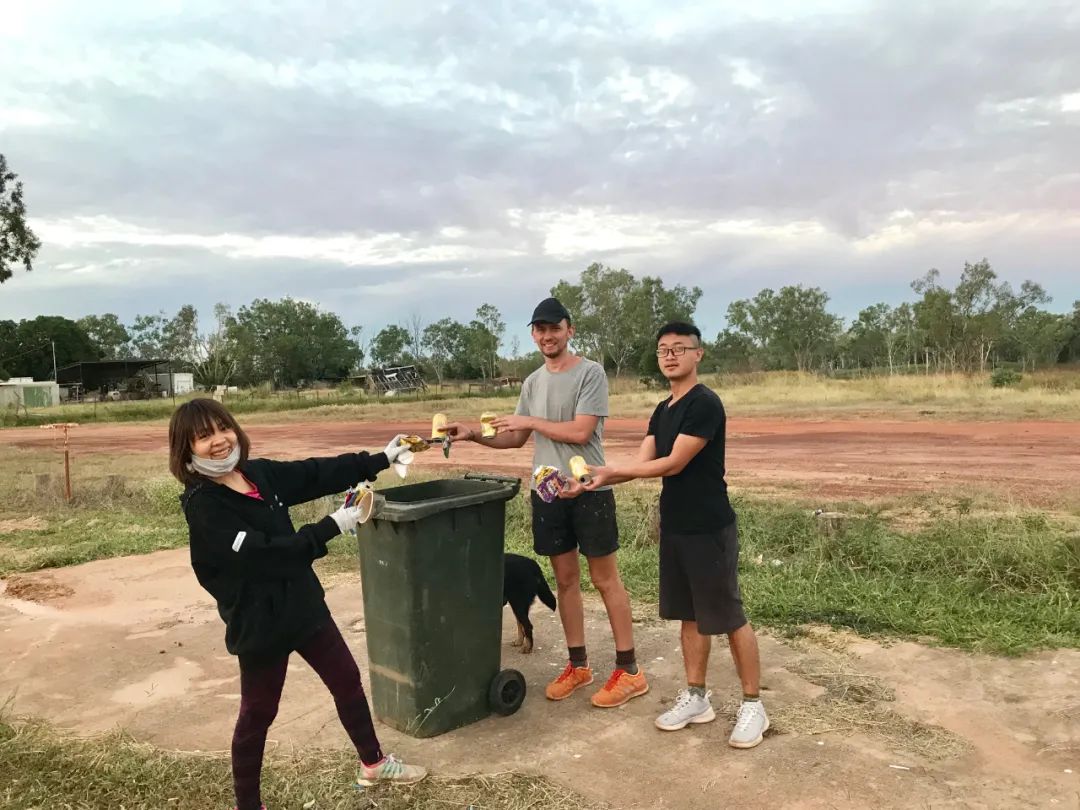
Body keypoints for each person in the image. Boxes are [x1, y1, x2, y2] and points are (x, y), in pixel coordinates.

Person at [167, 398, 426, 810]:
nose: (219, 441)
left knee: (346, 678)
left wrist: (380, 457)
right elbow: (265, 555)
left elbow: (315, 473)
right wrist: (330, 527)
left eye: (223, 428)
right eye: (203, 436)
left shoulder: (257, 474)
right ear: (186, 450)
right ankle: (248, 805)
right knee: (258, 714)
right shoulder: (205, 506)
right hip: (260, 623)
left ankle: (373, 763)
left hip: (303, 604)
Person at [444, 297, 648, 708]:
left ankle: (629, 670)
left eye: (554, 328)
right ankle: (579, 665)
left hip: (590, 489)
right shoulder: (533, 382)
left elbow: (579, 431)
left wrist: (530, 421)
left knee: (605, 579)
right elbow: (515, 437)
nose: (547, 336)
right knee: (566, 580)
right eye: (539, 330)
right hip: (549, 492)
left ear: (569, 330)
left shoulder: (591, 374)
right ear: (533, 334)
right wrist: (472, 433)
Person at [582, 322, 769, 749]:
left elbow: (673, 463)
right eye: (663, 349)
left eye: (679, 348)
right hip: (677, 526)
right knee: (689, 615)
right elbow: (644, 460)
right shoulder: (663, 408)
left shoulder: (705, 404)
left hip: (709, 526)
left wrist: (611, 471)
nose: (669, 355)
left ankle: (754, 704)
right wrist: (597, 478)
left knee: (728, 615)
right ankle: (697, 698)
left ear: (697, 355)